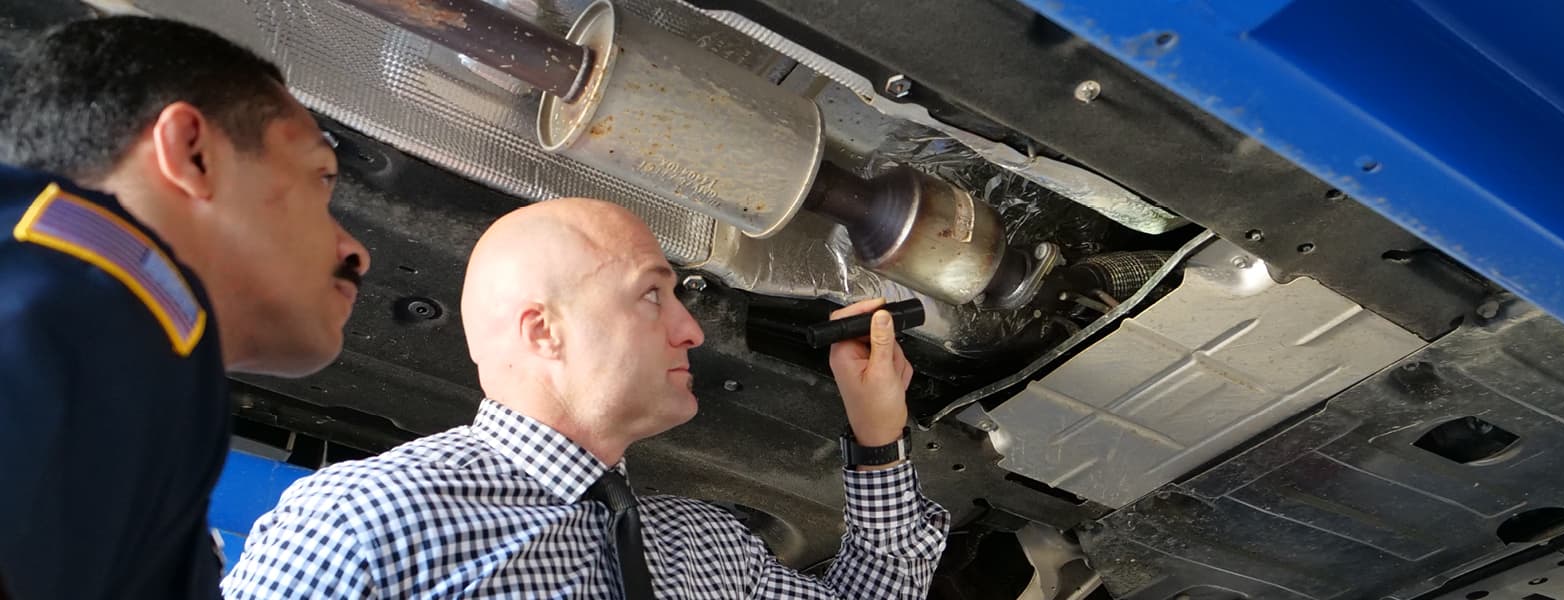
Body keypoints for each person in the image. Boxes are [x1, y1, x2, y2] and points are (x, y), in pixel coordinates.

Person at [223, 198, 950, 598]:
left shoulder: (705, 550)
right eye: (653, 296)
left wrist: (878, 437)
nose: (692, 330)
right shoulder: (368, 522)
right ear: (544, 331)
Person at [0, 16, 370, 600]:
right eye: (319, 177)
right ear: (192, 153)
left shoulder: (118, 361)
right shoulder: (69, 317)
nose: (357, 253)